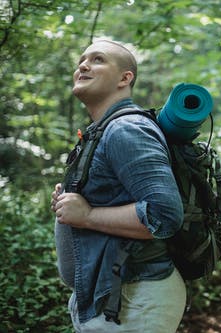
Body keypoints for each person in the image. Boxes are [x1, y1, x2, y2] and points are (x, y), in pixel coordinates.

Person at [50, 39, 186, 332]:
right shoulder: (103, 129)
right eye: (81, 61)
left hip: (133, 298)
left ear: (125, 78)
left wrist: (87, 216)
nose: (83, 65)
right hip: (111, 296)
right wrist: (70, 206)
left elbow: (163, 216)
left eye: (98, 59)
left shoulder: (126, 128)